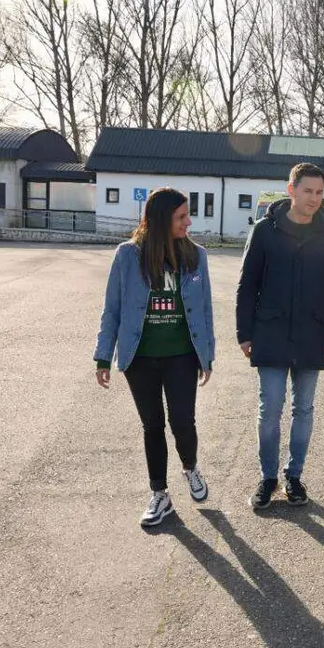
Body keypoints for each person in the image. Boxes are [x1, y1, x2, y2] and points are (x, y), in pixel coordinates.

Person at [94, 187, 216, 527]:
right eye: (181, 217)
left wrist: (207, 356)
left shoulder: (196, 256)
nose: (188, 222)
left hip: (181, 355)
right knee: (152, 426)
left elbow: (205, 310)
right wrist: (103, 356)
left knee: (182, 421)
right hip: (140, 357)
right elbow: (112, 309)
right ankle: (160, 494)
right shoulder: (127, 255)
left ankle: (190, 466)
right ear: (161, 219)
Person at [236, 163, 324, 510]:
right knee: (270, 408)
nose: (315, 198)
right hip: (269, 331)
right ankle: (268, 477)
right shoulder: (265, 231)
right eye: (308, 191)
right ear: (291, 190)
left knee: (304, 409)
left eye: (320, 193)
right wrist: (244, 332)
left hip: (312, 334)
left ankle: (294, 477)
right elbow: (247, 285)